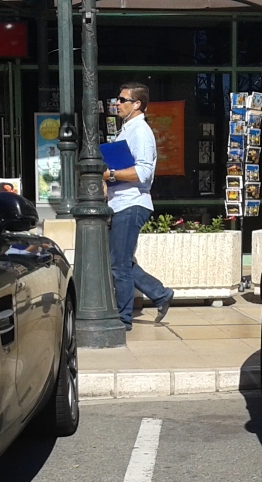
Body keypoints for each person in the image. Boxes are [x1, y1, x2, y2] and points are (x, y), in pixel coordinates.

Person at [102, 81, 174, 329]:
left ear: (137, 104)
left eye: (123, 100)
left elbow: (143, 172)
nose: (117, 104)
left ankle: (123, 319)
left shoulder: (140, 131)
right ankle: (160, 294)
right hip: (120, 203)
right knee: (120, 260)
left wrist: (110, 175)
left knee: (119, 264)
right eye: (118, 99)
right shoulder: (126, 130)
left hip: (132, 204)